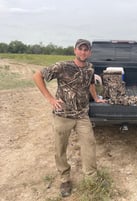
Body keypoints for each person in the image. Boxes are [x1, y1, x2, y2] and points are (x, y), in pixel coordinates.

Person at [33, 39, 106, 197]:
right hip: (63, 115)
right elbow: (37, 76)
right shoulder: (62, 66)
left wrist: (97, 97)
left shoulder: (90, 68)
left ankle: (91, 177)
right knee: (60, 148)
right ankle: (65, 178)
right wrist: (50, 99)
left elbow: (91, 84)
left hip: (82, 115)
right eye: (80, 49)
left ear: (90, 52)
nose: (83, 52)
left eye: (86, 50)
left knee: (89, 144)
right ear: (75, 50)